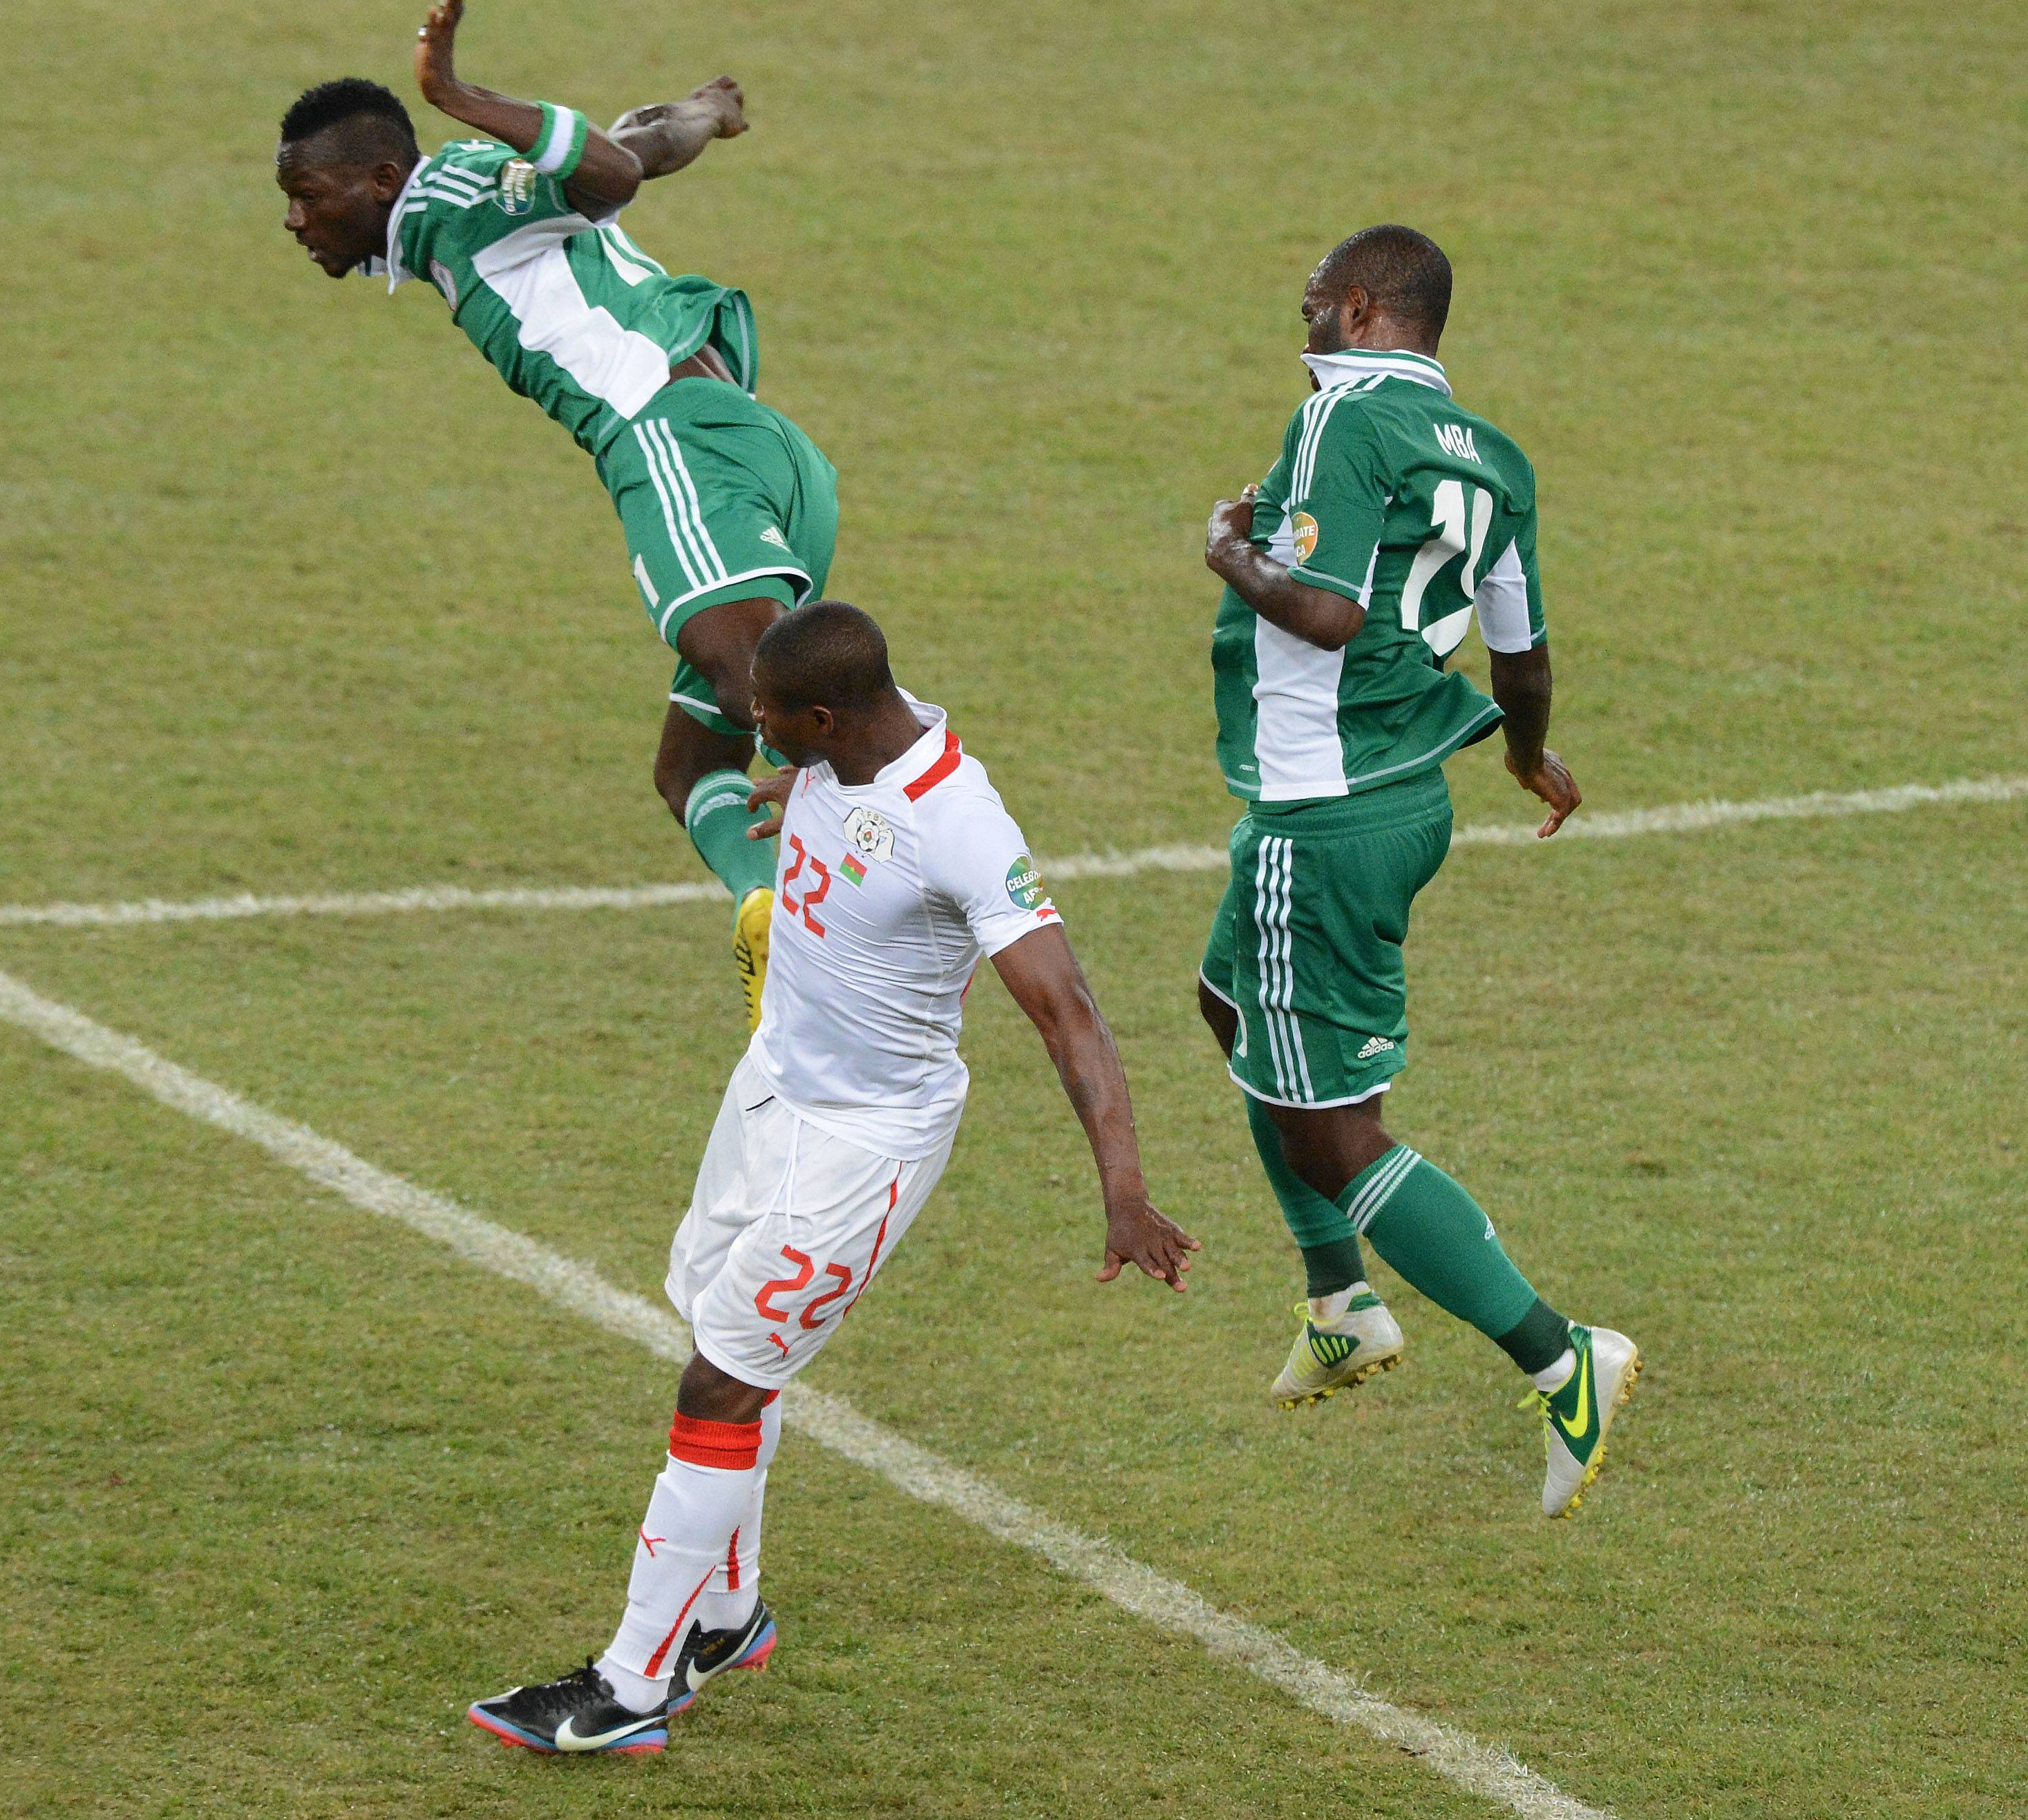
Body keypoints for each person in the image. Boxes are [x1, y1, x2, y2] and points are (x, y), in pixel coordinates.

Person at [467, 602, 1196, 1753]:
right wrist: (798, 788)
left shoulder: (957, 822)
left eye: (763, 714)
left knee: (719, 1383)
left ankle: (633, 1686)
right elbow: (840, 805)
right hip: (771, 1093)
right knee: (717, 1335)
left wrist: (1124, 1191)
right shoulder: (838, 754)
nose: (745, 722)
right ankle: (727, 1617)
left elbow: (1071, 1014)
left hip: (864, 1150)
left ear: (822, 716)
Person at [274, 0, 833, 1031]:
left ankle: (899, 869)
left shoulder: (445, 197)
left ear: (383, 179)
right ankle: (772, 909)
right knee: (695, 766)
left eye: (309, 194)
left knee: (769, 691)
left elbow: (610, 170)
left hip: (670, 438)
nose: (296, 220)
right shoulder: (489, 203)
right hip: (762, 450)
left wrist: (454, 93)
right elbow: (633, 151)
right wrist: (704, 113)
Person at [1197, 224, 1636, 1518]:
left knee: (1339, 1132)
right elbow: (1523, 655)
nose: (1301, 322)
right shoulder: (1493, 455)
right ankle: (1339, 1300)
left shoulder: (1339, 415)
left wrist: (1230, 555)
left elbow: (1327, 611)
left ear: (1362, 307)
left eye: (1313, 301)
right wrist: (1529, 758)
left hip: (1323, 814)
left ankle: (1559, 1355)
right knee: (1228, 1001)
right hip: (1400, 797)